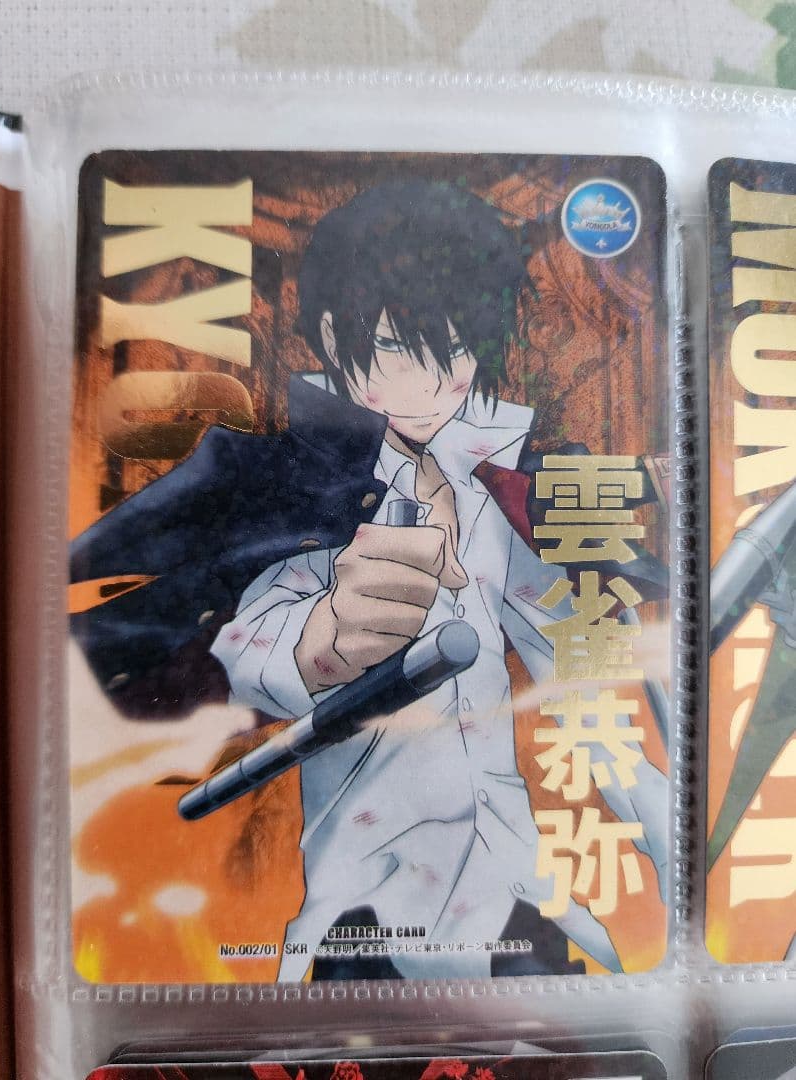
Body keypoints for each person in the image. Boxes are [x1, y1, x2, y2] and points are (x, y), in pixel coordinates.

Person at [206, 180, 669, 981]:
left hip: (507, 879)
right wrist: (324, 638)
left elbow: (570, 662)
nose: (427, 386)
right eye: (393, 348)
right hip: (368, 891)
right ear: (332, 337)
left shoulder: (490, 486)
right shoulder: (309, 485)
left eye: (453, 354)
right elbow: (250, 644)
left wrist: (660, 816)